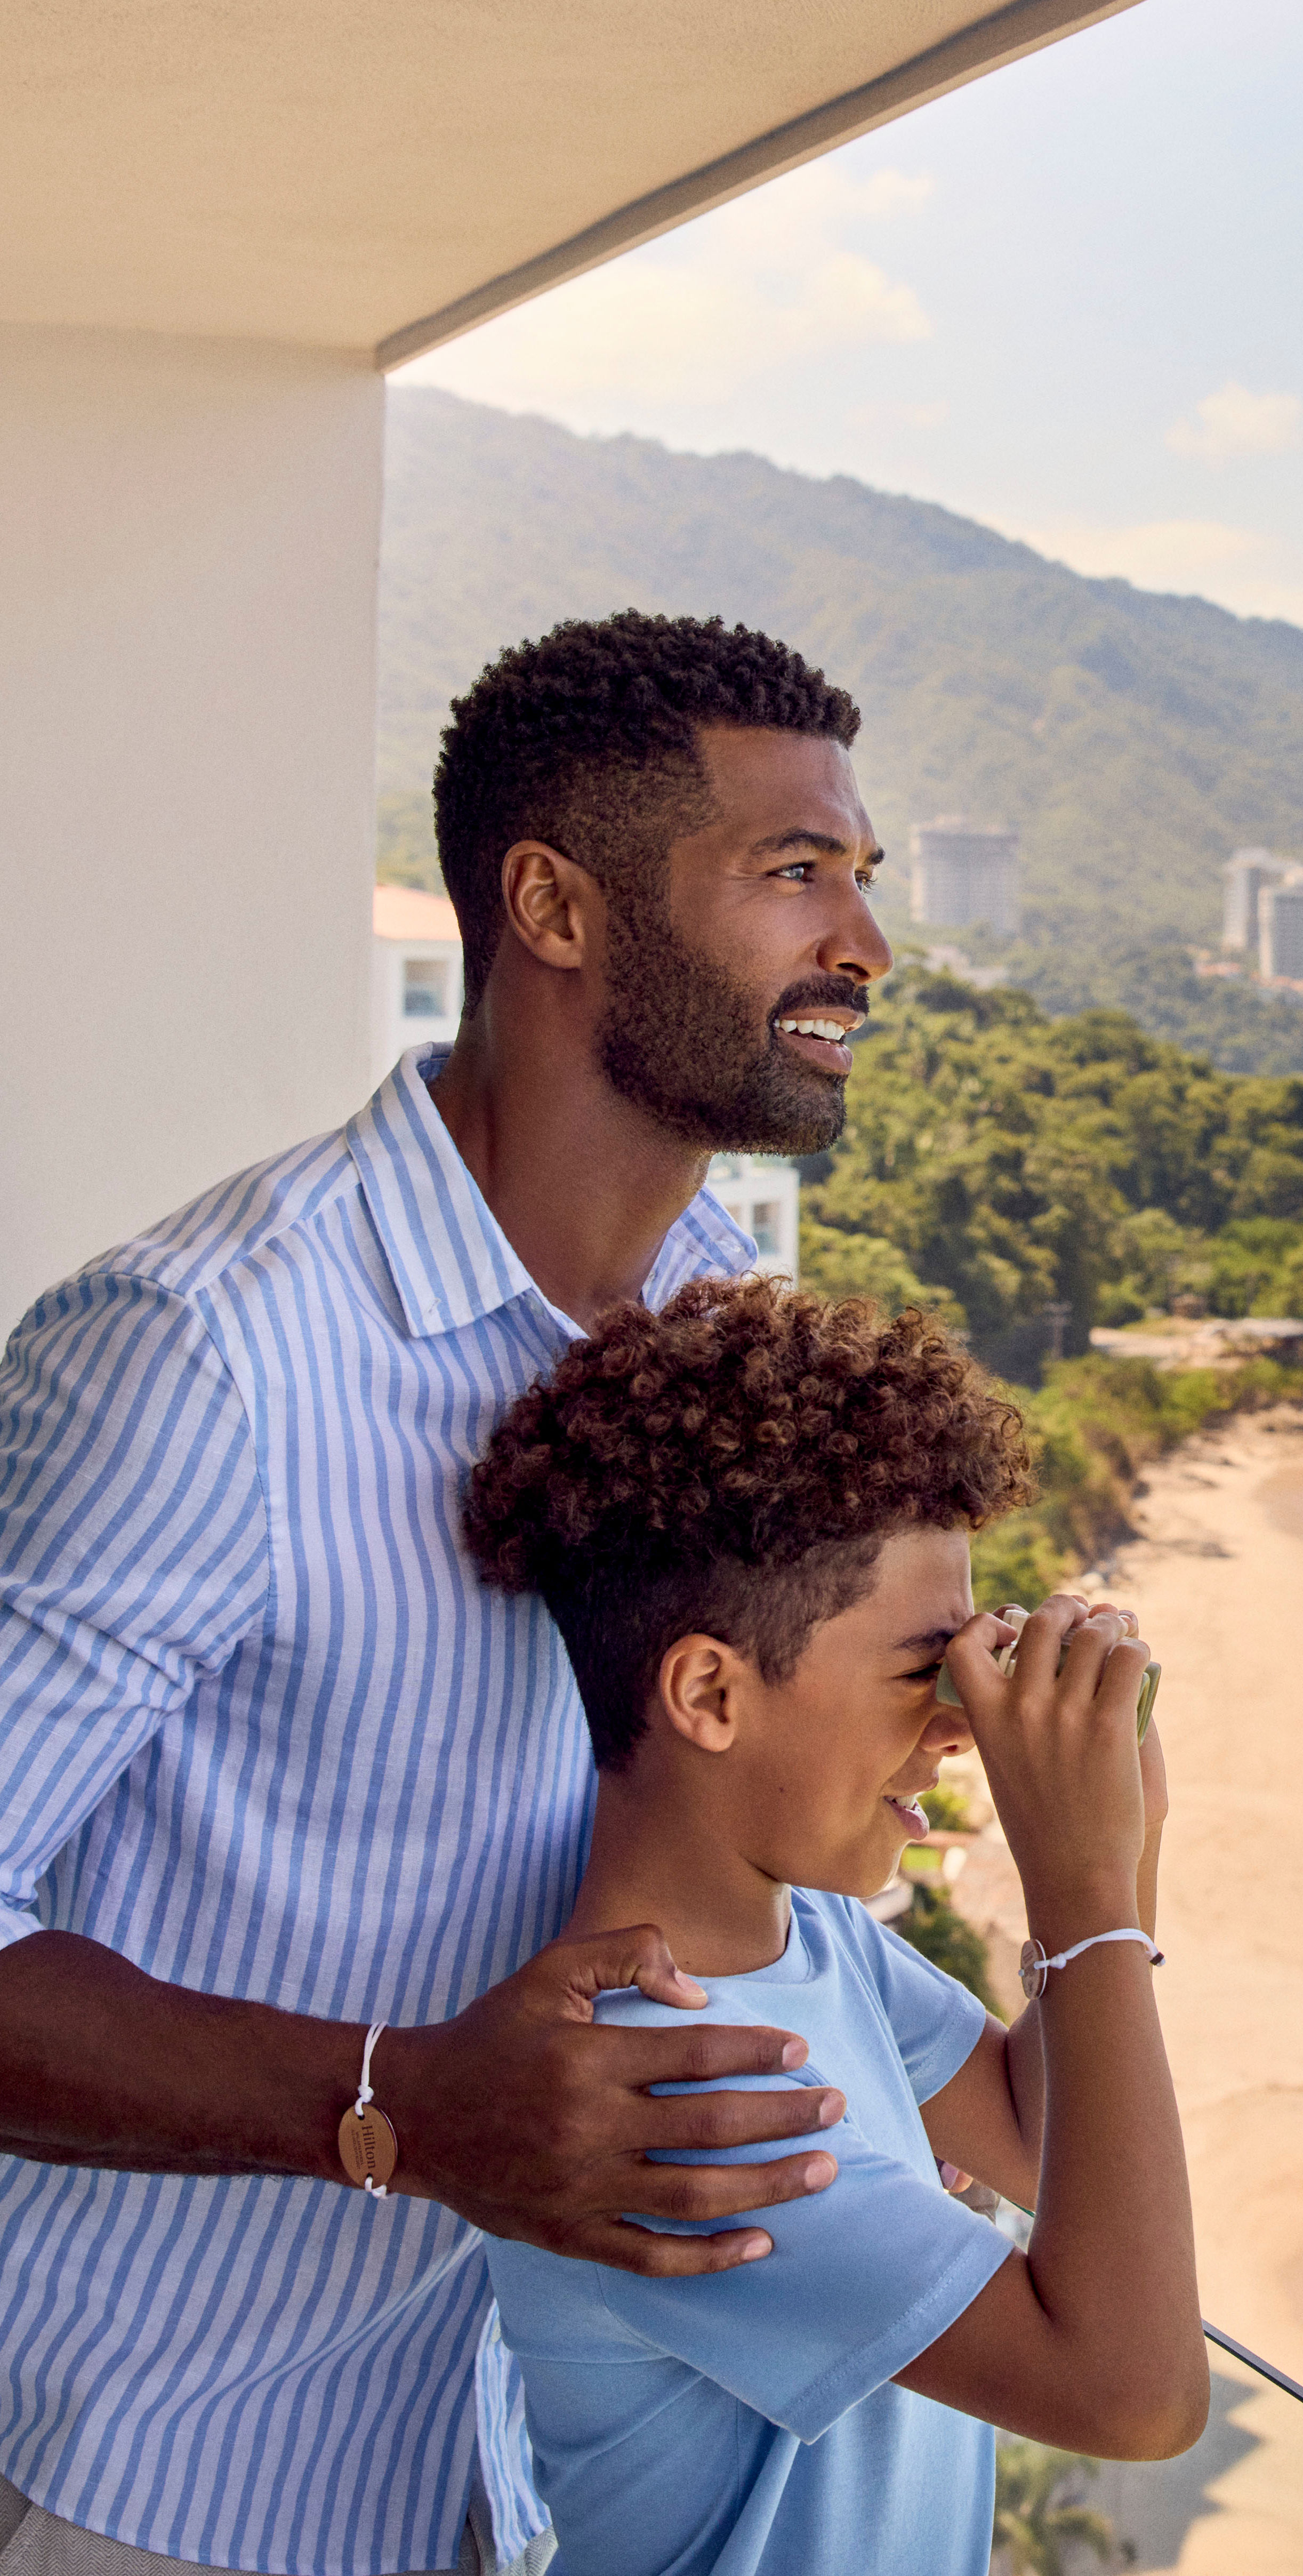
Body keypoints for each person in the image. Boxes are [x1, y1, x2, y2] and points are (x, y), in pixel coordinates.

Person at [0, 615, 897, 2575]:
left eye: (861, 876)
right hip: (153, 2490)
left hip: (510, 2479)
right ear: (555, 906)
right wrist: (393, 2100)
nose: (864, 949)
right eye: (792, 871)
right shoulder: (202, 1354)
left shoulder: (717, 1318)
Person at [462, 1275, 1205, 2576]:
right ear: (707, 1689)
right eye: (926, 1672)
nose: (960, 1724)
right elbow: (1134, 2394)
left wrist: (1118, 1850)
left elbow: (1039, 2136)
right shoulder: (663, 2088)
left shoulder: (807, 1936)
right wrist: (1080, 1903)